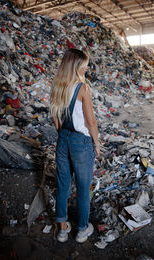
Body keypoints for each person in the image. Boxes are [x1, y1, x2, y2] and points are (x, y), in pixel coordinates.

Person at [50, 48, 100, 243]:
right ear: (77, 66)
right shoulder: (82, 88)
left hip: (62, 139)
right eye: (85, 64)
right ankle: (81, 230)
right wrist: (96, 144)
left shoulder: (57, 85)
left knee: (63, 185)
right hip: (81, 142)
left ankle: (62, 230)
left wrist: (64, 136)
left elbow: (56, 119)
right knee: (82, 187)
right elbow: (91, 122)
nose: (87, 67)